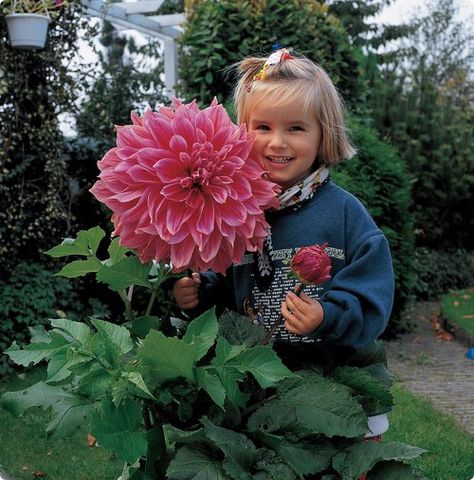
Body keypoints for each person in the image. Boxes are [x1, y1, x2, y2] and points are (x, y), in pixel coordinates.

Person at [173, 49, 394, 443]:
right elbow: (228, 283)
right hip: (260, 392)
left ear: (324, 133)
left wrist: (326, 315)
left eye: (295, 128)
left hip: (333, 393)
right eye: (262, 127)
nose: (277, 143)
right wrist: (201, 291)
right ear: (240, 132)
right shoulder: (238, 210)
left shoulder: (343, 214)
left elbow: (372, 293)